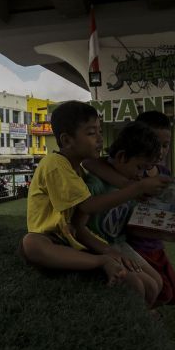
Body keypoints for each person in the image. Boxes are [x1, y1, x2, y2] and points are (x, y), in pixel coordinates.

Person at [19, 101, 173, 286]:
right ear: (67, 140)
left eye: (100, 131)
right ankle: (99, 261)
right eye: (92, 133)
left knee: (149, 282)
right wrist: (136, 189)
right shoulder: (54, 163)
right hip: (52, 239)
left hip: (71, 240)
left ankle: (100, 260)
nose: (100, 138)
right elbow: (88, 205)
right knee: (32, 242)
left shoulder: (79, 171)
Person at [83, 111, 175, 305]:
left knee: (163, 289)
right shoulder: (124, 181)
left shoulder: (147, 174)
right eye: (141, 168)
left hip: (137, 242)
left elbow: (131, 220)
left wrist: (166, 232)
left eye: (165, 145)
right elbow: (84, 211)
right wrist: (133, 188)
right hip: (123, 244)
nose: (161, 150)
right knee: (146, 287)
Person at [72, 121, 165, 309]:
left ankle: (144, 322)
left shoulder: (130, 184)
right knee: (139, 286)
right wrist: (108, 251)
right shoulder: (97, 184)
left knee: (157, 283)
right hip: (98, 247)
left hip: (119, 244)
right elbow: (79, 228)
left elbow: (127, 224)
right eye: (140, 167)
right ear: (122, 157)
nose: (142, 175)